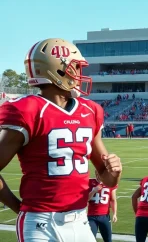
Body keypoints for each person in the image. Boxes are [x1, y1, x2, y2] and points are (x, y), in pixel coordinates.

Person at [0, 38, 122, 242]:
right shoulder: (28, 110)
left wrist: (115, 173)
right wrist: (18, 207)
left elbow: (106, 178)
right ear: (56, 70)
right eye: (75, 67)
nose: (79, 74)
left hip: (81, 221)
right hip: (41, 225)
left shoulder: (90, 110)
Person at [87, 170, 118, 242]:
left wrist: (114, 214)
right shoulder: (90, 182)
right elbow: (86, 199)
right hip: (91, 216)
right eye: (97, 174)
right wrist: (94, 191)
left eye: (100, 174)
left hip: (105, 216)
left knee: (108, 239)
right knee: (90, 239)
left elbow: (113, 200)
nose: (98, 176)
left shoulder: (110, 183)